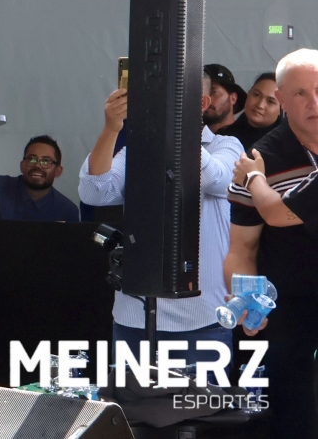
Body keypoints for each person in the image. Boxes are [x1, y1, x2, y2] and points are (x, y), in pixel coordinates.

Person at [79, 72, 243, 366]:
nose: (160, 103)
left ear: (202, 103)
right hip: (134, 315)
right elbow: (94, 192)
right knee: (130, 398)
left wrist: (177, 126)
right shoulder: (136, 150)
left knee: (201, 398)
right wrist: (112, 128)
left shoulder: (225, 146)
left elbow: (213, 179)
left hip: (202, 318)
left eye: (174, 96)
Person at [225, 48, 318, 439]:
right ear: (281, 100)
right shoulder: (262, 157)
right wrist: (246, 300)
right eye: (300, 93)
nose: (314, 102)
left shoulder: (253, 171)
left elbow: (278, 212)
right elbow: (241, 249)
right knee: (294, 419)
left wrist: (255, 179)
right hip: (289, 314)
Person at [0, 135, 79, 222]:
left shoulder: (67, 210)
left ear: (58, 171)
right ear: (22, 165)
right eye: (32, 159)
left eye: (46, 161)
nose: (37, 165)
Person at [217, 72, 282, 152]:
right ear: (248, 93)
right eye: (256, 95)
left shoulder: (286, 144)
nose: (260, 105)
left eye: (270, 101)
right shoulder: (223, 136)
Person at [203, 63, 247, 133]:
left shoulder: (245, 137)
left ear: (233, 98)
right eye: (201, 93)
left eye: (213, 92)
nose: (206, 99)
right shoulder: (188, 135)